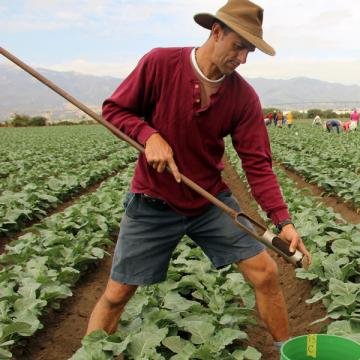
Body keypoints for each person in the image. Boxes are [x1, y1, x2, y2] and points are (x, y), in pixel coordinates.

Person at [86, 0, 311, 352]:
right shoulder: (160, 63)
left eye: (249, 51)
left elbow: (257, 164)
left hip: (208, 202)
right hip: (153, 200)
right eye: (239, 46)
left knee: (265, 272)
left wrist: (282, 220)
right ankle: (91, 354)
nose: (243, 59)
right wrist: (150, 136)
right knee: (117, 294)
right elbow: (114, 110)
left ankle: (287, 350)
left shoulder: (243, 97)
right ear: (216, 32)